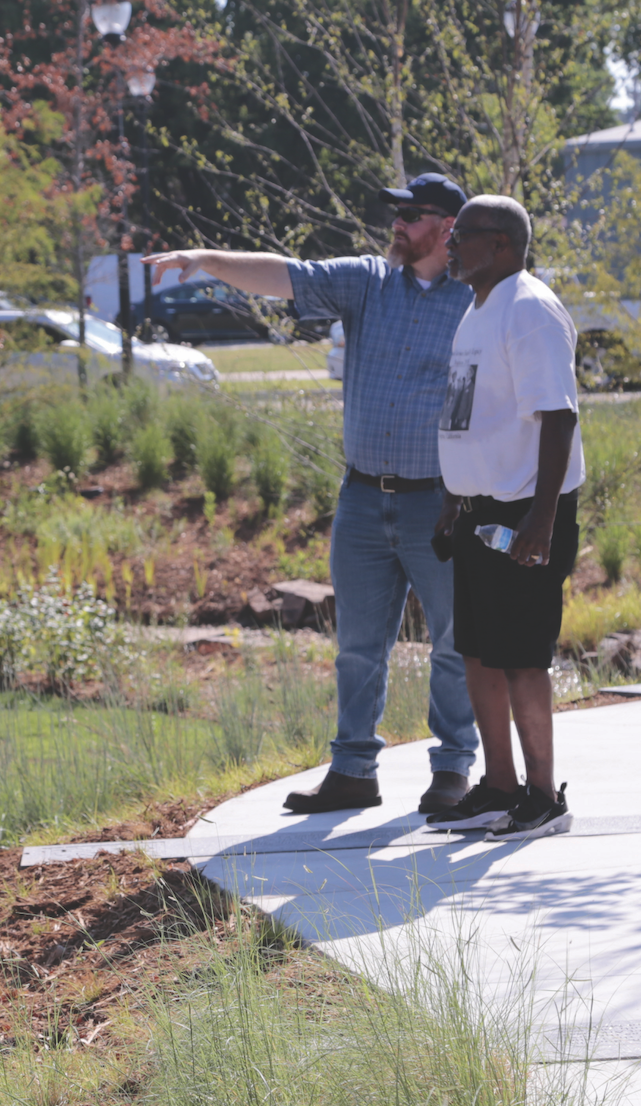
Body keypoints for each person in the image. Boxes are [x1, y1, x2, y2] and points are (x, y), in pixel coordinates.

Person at [142, 173, 479, 814]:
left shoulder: (474, 302)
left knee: (453, 643)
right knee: (357, 645)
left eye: (411, 215)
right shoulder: (368, 281)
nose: (397, 225)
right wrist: (203, 260)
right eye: (396, 215)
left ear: (446, 229)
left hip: (436, 502)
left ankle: (453, 772)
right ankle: (353, 771)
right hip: (360, 502)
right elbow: (286, 275)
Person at [424, 195, 581, 837]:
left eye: (462, 235)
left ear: (503, 245)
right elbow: (467, 418)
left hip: (525, 510)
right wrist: (452, 500)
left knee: (521, 657)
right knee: (480, 654)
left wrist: (541, 521)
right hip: (479, 509)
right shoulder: (475, 311)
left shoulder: (529, 307)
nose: (450, 244)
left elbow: (559, 415)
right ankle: (498, 787)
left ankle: (543, 798)